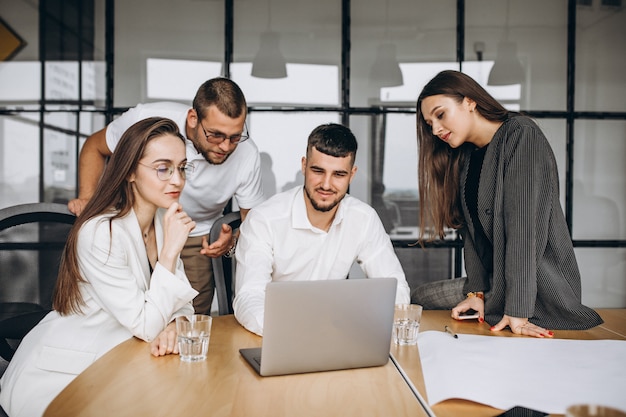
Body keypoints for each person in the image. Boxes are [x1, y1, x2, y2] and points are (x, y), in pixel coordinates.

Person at [0, 117, 199, 417]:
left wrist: (173, 326)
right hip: (69, 375)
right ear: (131, 171)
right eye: (163, 168)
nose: (177, 180)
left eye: (182, 167)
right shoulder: (100, 232)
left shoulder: (162, 222)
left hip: (124, 362)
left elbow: (182, 306)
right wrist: (170, 254)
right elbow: (145, 325)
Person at [412, 70, 603, 337]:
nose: (435, 129)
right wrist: (475, 293)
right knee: (419, 296)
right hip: (493, 283)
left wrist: (518, 311)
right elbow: (472, 236)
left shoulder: (521, 135)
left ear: (469, 102)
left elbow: (523, 230)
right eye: (429, 123)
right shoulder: (466, 157)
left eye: (440, 115)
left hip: (533, 288)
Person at [67, 78, 265, 314]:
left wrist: (231, 241)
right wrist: (88, 200)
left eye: (235, 137)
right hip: (136, 224)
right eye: (216, 135)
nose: (226, 147)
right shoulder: (148, 120)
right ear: (193, 118)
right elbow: (94, 147)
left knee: (189, 317)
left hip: (195, 236)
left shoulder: (247, 153)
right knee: (126, 310)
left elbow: (253, 224)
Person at [233, 123, 411, 335]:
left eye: (338, 175)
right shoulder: (264, 219)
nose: (326, 185)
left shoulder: (363, 218)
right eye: (318, 171)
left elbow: (396, 289)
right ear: (304, 165)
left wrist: (363, 324)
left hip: (336, 333)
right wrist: (294, 331)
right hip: (276, 335)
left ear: (352, 175)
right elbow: (249, 296)